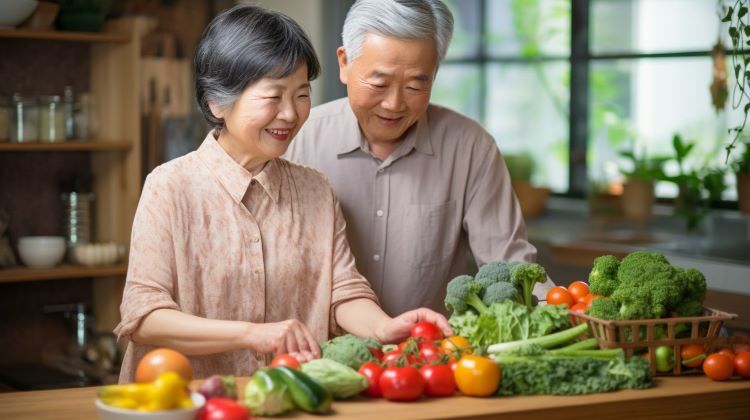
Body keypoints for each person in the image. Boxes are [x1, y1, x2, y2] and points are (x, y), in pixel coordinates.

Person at [114, 4, 451, 383]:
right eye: (274, 96)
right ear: (216, 102)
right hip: (181, 401)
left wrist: (385, 328)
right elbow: (144, 316)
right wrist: (251, 333)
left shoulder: (314, 188)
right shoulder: (170, 186)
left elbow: (343, 291)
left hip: (288, 399)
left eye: (302, 94)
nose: (291, 114)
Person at [285, 0, 553, 317]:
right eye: (379, 83)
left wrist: (562, 310)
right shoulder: (295, 139)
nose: (394, 104)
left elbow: (509, 263)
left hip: (428, 357)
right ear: (344, 63)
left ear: (434, 73)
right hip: (316, 356)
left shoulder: (470, 147)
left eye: (415, 84)